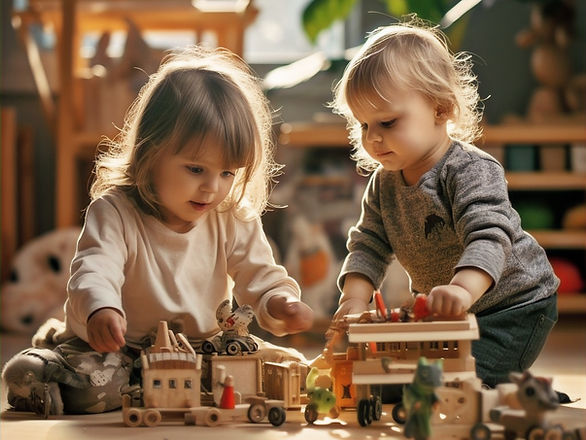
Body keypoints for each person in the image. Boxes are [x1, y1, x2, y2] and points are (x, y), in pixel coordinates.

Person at [2, 46, 313, 416]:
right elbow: (94, 269)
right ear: (150, 155)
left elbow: (260, 273)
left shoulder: (232, 216)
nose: (212, 188)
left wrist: (279, 301)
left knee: (285, 370)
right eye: (196, 169)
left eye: (227, 173)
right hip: (118, 349)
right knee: (96, 392)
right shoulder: (115, 211)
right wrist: (101, 310)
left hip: (202, 349)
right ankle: (43, 364)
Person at [328, 19, 559, 387]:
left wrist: (462, 290)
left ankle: (512, 390)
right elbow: (368, 244)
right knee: (400, 379)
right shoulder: (383, 185)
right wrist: (354, 300)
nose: (372, 138)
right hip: (445, 312)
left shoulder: (469, 170)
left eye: (387, 122)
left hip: (512, 306)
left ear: (440, 109)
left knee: (455, 384)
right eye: (363, 125)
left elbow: (489, 235)